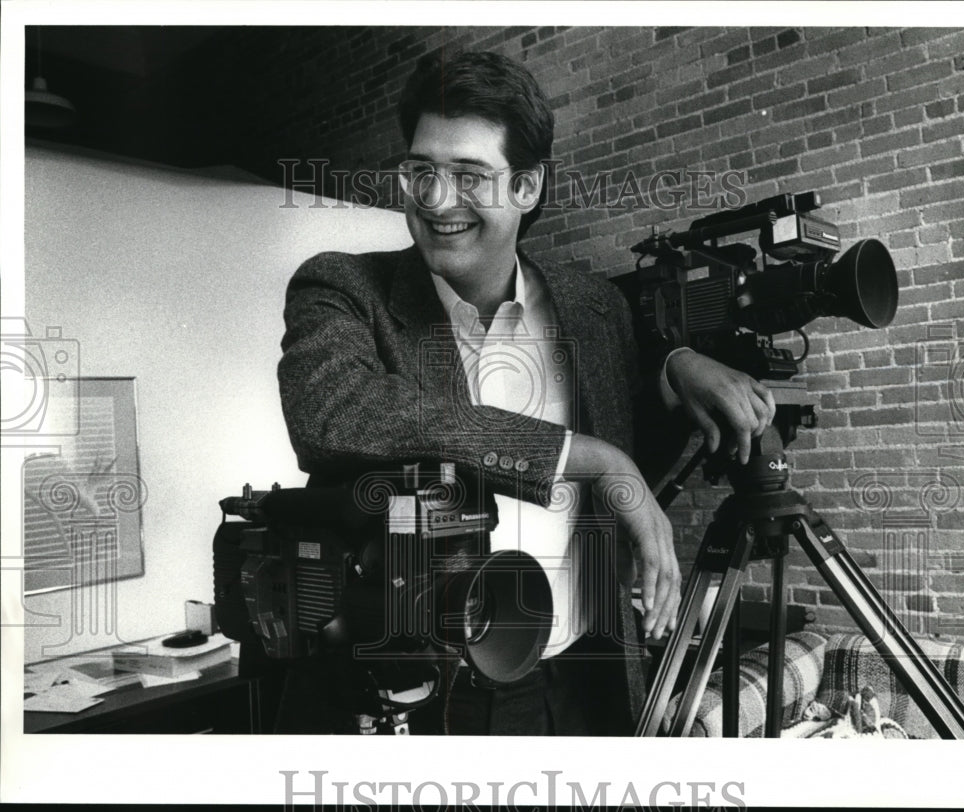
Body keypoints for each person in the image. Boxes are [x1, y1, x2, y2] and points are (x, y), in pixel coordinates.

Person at [275, 49, 775, 735]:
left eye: (469, 174)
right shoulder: (343, 288)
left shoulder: (592, 307)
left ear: (528, 186)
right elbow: (330, 413)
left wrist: (678, 363)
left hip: (583, 682)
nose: (437, 199)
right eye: (421, 170)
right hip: (428, 702)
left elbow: (636, 413)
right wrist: (583, 456)